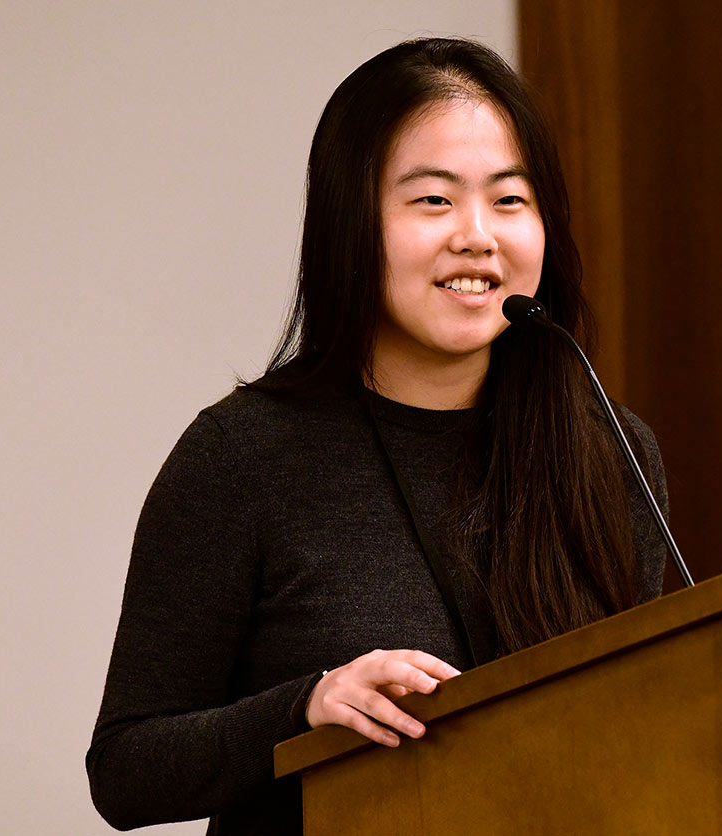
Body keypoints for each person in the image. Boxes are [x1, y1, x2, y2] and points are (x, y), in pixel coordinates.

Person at [86, 37, 669, 835]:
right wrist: (307, 706)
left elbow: (657, 721)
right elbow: (126, 770)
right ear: (350, 223)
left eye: (509, 200)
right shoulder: (243, 458)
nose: (477, 236)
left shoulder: (612, 453)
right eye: (433, 201)